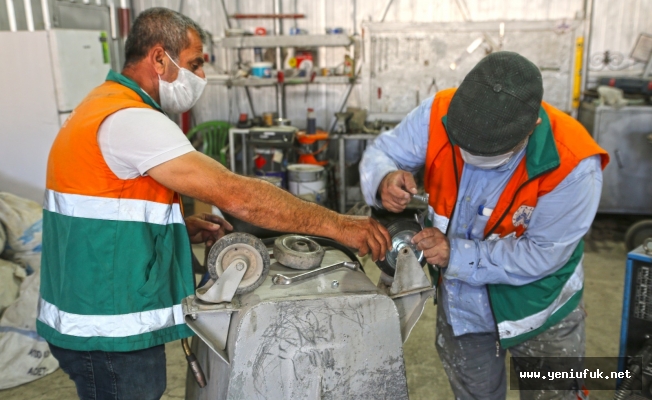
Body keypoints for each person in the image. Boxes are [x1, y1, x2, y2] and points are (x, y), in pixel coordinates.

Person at [37, 7, 390, 400]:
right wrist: (340, 226)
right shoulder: (130, 120)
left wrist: (174, 230)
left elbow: (106, 210)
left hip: (89, 310)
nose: (201, 77)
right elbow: (237, 194)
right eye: (195, 63)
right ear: (158, 58)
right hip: (104, 326)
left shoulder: (101, 105)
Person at [360, 51, 609, 399]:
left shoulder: (574, 164)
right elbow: (381, 152)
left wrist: (456, 254)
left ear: (532, 125)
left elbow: (542, 254)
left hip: (542, 312)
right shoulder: (439, 111)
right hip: (465, 312)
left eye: (488, 151)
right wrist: (384, 177)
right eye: (464, 144)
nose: (470, 156)